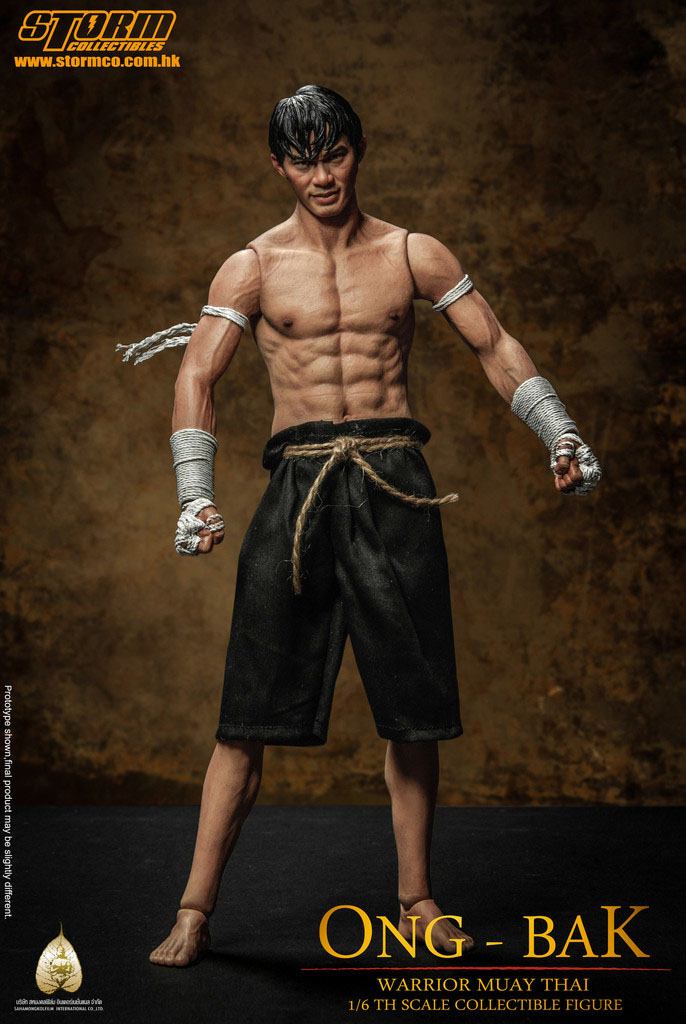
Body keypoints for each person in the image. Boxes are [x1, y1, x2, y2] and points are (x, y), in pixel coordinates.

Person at [116, 84, 601, 968]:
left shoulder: (412, 253)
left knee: (412, 714)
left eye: (334, 153)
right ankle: (193, 909)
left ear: (357, 150)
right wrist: (193, 493)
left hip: (395, 484)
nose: (322, 175)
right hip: (297, 487)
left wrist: (560, 431)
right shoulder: (253, 267)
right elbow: (197, 376)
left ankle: (417, 900)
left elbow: (494, 343)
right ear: (279, 165)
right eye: (303, 160)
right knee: (244, 717)